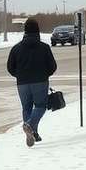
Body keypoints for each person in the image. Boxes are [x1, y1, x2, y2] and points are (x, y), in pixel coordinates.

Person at [7, 19, 57, 147]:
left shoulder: (16, 48)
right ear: (37, 31)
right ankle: (30, 126)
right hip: (40, 81)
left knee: (26, 107)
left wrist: (19, 76)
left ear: (25, 31)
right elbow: (52, 66)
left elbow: (10, 67)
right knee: (40, 106)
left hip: (22, 83)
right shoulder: (44, 48)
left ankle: (32, 133)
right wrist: (45, 74)